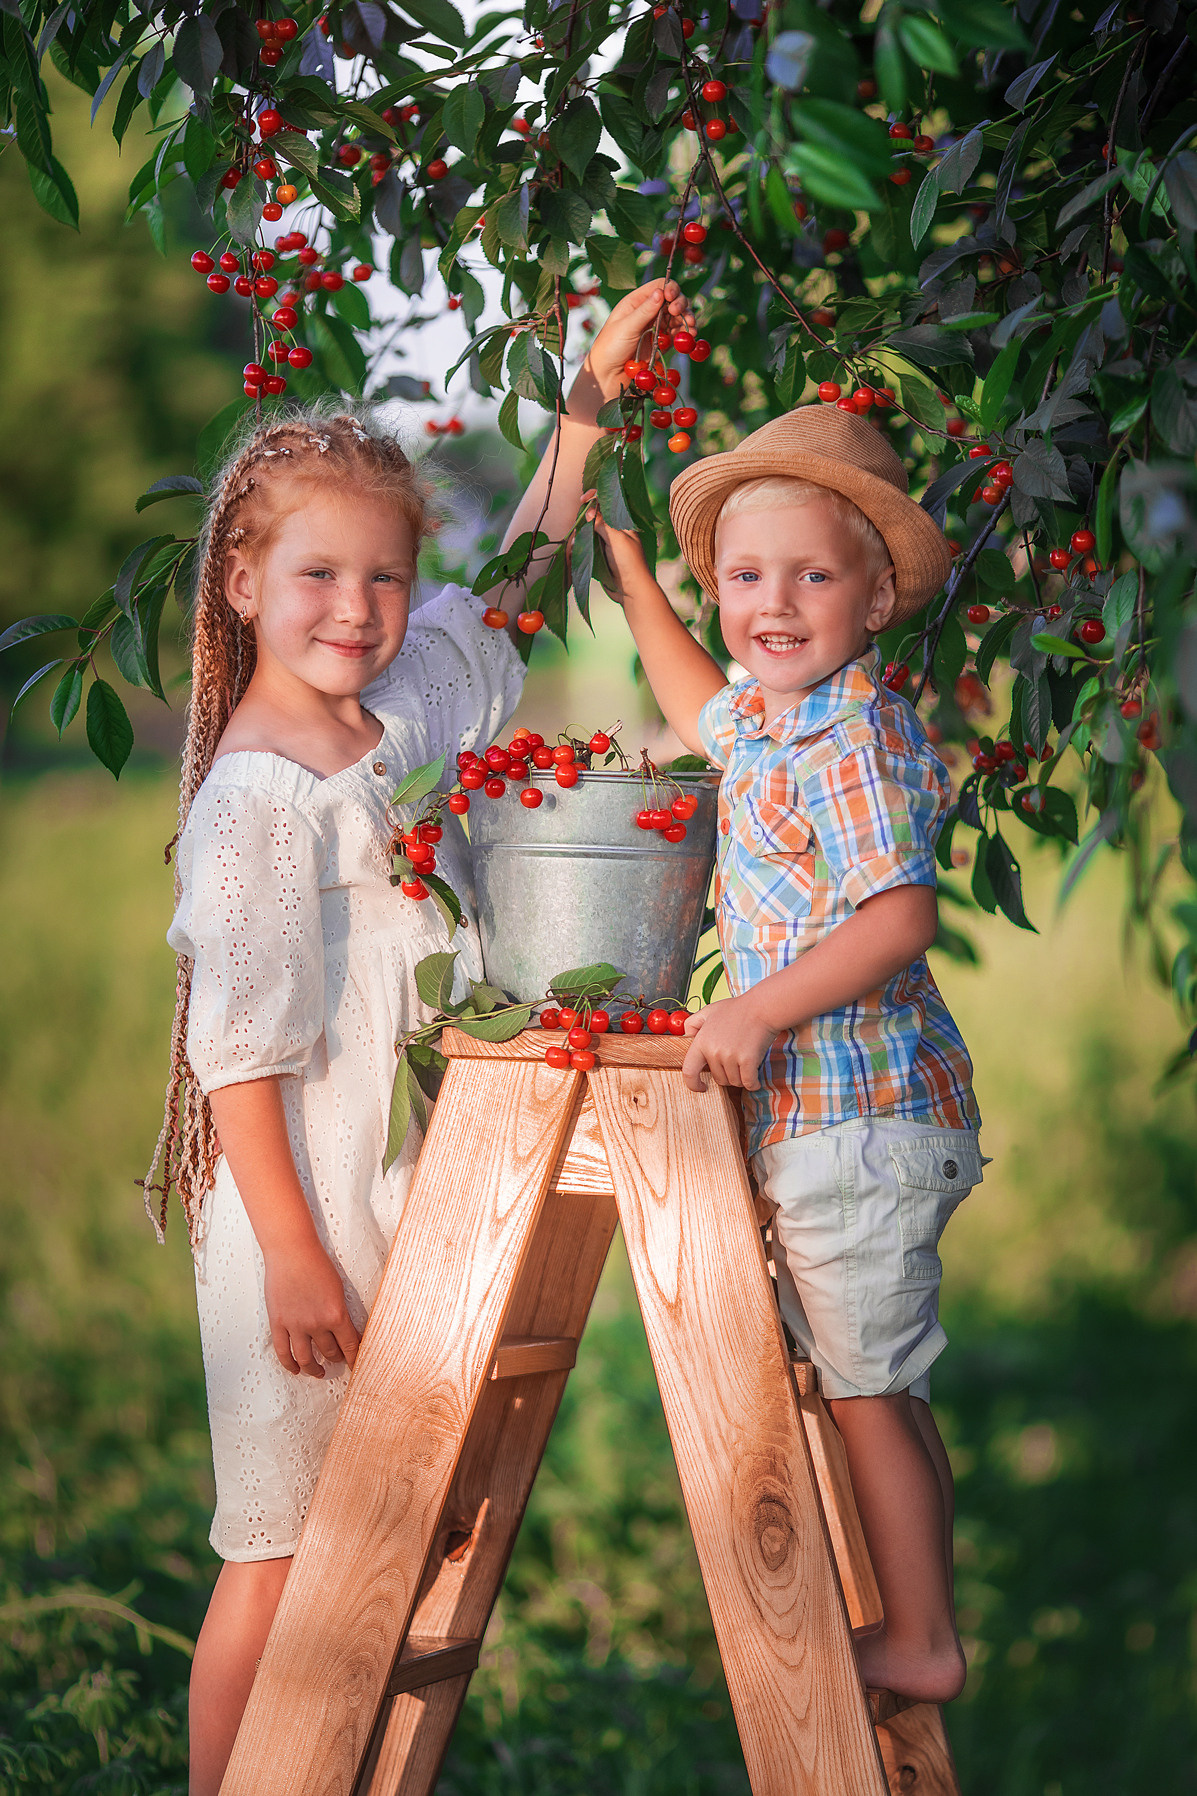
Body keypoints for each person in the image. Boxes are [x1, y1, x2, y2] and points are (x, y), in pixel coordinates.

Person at [141, 277, 697, 1796]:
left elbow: (508, 588)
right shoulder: (259, 799)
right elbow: (236, 1061)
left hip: (409, 1196)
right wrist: (298, 1257)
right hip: (296, 1220)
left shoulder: (398, 721)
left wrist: (580, 417)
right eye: (320, 575)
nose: (360, 610)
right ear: (241, 582)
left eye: (386, 579)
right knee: (280, 1543)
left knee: (383, 1528)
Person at [590, 402, 984, 1705]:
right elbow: (694, 700)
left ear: (872, 600)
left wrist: (758, 1009)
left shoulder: (855, 733)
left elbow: (899, 915)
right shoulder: (771, 721)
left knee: (867, 1391)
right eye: (744, 578)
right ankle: (924, 1611)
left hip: (857, 1119)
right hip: (835, 1123)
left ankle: (920, 1637)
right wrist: (635, 576)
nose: (773, 602)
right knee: (882, 1386)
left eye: (811, 576)